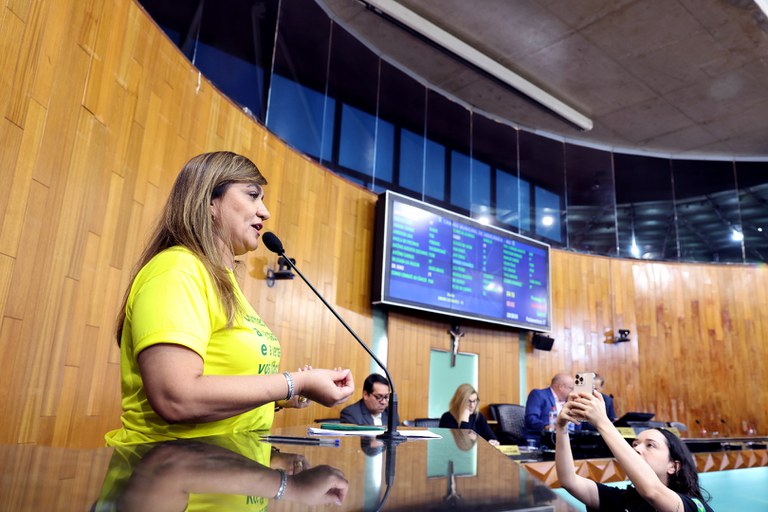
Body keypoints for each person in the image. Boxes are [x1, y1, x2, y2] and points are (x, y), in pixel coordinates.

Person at [105, 151, 354, 446]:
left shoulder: (224, 282)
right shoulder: (177, 270)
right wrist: (294, 382)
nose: (265, 212)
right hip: (166, 466)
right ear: (210, 202)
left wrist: (286, 396)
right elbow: (176, 398)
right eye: (253, 195)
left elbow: (224, 376)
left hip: (227, 463)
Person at [555, 390, 713, 512]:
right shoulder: (623, 499)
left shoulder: (693, 506)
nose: (637, 448)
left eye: (650, 445)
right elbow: (569, 481)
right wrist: (561, 428)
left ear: (673, 466)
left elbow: (652, 491)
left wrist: (602, 422)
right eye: (635, 444)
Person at [523, 373, 575, 443]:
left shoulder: (570, 402)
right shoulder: (538, 395)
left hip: (570, 439)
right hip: (543, 440)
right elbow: (531, 418)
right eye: (571, 388)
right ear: (561, 387)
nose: (573, 392)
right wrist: (547, 427)